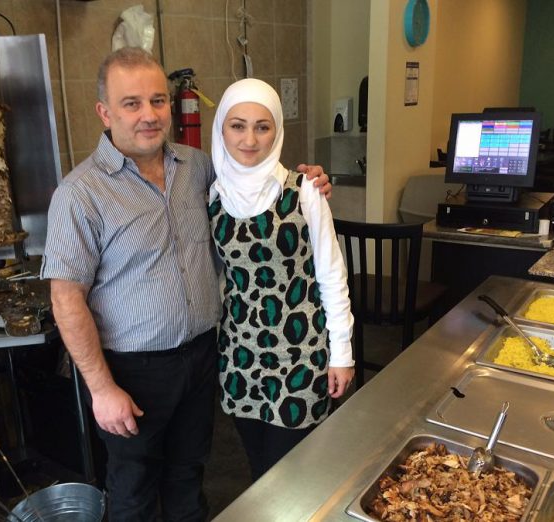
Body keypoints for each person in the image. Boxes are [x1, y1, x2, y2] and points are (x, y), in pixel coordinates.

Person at [40, 47, 331, 522]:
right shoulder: (80, 194)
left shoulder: (197, 167)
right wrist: (101, 388)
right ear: (105, 112)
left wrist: (307, 180)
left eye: (158, 100)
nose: (149, 115)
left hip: (201, 357)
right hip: (132, 372)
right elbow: (65, 297)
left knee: (189, 476)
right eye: (131, 103)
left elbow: (254, 175)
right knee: (133, 490)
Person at [208, 78, 355, 481]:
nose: (250, 139)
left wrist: (342, 353)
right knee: (259, 469)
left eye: (263, 126)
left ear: (277, 131)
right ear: (221, 128)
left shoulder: (305, 189)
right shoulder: (213, 194)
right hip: (240, 356)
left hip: (301, 355)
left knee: (294, 469)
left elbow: (331, 274)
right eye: (238, 125)